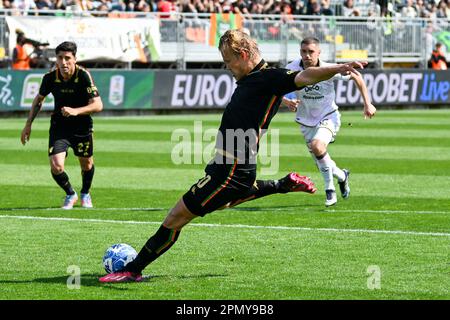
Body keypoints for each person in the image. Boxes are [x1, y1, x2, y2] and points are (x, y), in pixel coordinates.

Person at [99, 29, 367, 283]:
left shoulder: (269, 77)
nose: (227, 67)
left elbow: (305, 76)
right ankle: (281, 184)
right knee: (222, 203)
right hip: (228, 166)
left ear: (243, 55)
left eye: (228, 61)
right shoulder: (254, 79)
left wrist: (341, 67)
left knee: (176, 217)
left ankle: (133, 270)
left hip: (231, 169)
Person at [282, 37, 376, 207]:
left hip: (328, 116)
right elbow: (274, 89)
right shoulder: (291, 68)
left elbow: (356, 76)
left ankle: (330, 190)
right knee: (321, 162)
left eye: (311, 51)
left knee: (318, 146)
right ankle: (342, 176)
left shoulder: (328, 68)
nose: (307, 55)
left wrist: (367, 103)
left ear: (319, 52)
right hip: (305, 121)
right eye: (304, 51)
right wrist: (286, 101)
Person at [20, 41, 103, 209]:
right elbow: (38, 100)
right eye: (60, 58)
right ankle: (70, 193)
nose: (64, 62)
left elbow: (98, 105)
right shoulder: (50, 77)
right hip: (60, 127)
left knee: (86, 164)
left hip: (82, 126)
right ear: (56, 59)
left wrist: (75, 111)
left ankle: (85, 193)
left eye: (67, 58)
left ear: (74, 59)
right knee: (56, 166)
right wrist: (28, 124)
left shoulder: (84, 76)